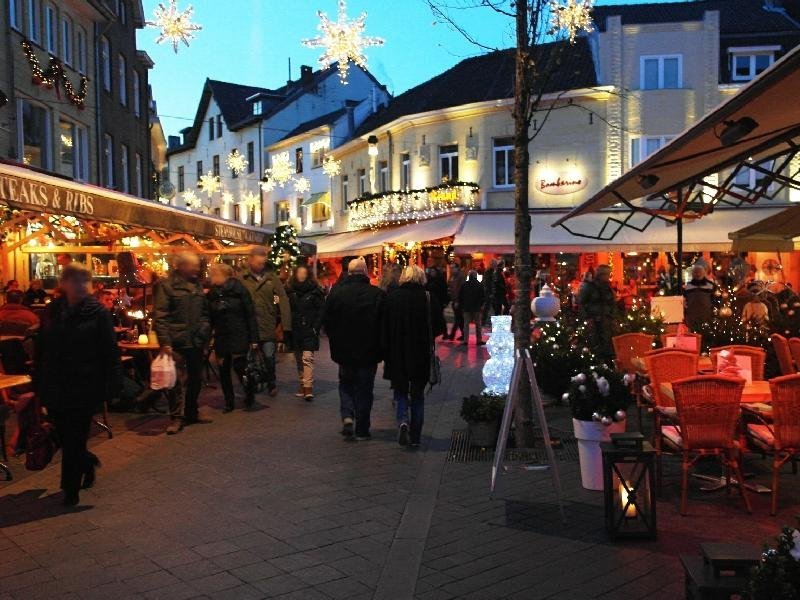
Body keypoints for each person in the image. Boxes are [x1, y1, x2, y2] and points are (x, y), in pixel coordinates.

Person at [35, 263, 122, 506]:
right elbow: (42, 348)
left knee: (75, 438)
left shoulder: (98, 313)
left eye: (84, 280)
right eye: (74, 280)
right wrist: (38, 382)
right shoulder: (52, 311)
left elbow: (110, 351)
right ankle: (87, 462)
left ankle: (70, 490)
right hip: (55, 383)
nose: (80, 285)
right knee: (64, 437)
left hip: (85, 384)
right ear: (64, 284)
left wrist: (113, 386)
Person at [382, 265, 446, 447]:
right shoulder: (428, 298)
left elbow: (384, 326)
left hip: (397, 352)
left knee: (400, 390)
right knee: (418, 394)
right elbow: (440, 326)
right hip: (420, 352)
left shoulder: (392, 298)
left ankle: (402, 419)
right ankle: (416, 436)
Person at [323, 256, 385, 440]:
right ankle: (362, 429)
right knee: (365, 390)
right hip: (368, 352)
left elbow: (327, 321)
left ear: (349, 273)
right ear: (365, 272)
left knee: (346, 384)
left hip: (344, 351)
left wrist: (335, 338)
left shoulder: (336, 293)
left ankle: (348, 415)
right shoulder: (377, 294)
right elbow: (383, 324)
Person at [153, 252, 211, 435]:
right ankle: (176, 417)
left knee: (196, 378)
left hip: (196, 340)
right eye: (192, 265)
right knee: (175, 381)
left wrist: (204, 328)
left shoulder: (197, 285)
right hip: (176, 341)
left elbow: (204, 312)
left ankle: (192, 412)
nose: (196, 269)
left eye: (197, 265)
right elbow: (160, 315)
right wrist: (165, 342)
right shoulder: (167, 285)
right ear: (181, 266)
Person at [207, 263, 259, 412]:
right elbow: (209, 317)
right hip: (222, 336)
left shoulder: (240, 290)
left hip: (239, 334)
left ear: (224, 275)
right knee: (223, 370)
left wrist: (254, 339)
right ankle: (229, 401)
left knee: (240, 368)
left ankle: (249, 395)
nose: (212, 277)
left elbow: (250, 315)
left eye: (214, 274)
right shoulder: (212, 294)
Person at [240, 247, 292, 397]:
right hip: (248, 327)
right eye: (258, 263)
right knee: (249, 360)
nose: (260, 266)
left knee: (269, 357)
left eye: (263, 263)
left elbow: (283, 299)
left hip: (267, 325)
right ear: (250, 261)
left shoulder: (272, 279)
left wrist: (286, 326)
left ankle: (271, 383)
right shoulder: (242, 278)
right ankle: (250, 386)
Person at [287, 264, 326, 401]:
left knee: (307, 358)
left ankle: (308, 387)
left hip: (309, 328)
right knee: (299, 359)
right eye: (299, 273)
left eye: (304, 273)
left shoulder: (315, 291)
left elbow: (321, 310)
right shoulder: (290, 291)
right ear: (295, 274)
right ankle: (302, 385)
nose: (302, 275)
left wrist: (316, 327)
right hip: (296, 328)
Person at [579, 264, 616, 360]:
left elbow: (612, 304)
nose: (608, 276)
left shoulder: (608, 288)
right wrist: (587, 319)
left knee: (606, 345)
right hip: (593, 321)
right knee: (594, 345)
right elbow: (581, 303)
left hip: (605, 320)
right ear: (600, 274)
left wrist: (612, 317)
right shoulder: (589, 286)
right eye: (606, 274)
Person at [683, 264, 716, 330]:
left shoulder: (711, 285)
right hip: (692, 316)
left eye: (699, 272)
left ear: (704, 273)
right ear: (693, 274)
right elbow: (684, 301)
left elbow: (714, 299)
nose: (698, 274)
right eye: (696, 272)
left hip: (706, 314)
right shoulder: (687, 286)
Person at [459, 270, 486, 346]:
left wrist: (462, 306)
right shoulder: (480, 285)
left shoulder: (464, 285)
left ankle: (465, 341)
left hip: (466, 308)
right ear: (475, 276)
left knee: (466, 325)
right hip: (476, 308)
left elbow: (460, 296)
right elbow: (482, 296)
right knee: (478, 325)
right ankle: (479, 340)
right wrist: (481, 305)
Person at [445, 263, 466, 341]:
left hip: (459, 301)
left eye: (453, 268)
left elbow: (461, 290)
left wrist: (457, 300)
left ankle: (452, 335)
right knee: (459, 318)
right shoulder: (452, 276)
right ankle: (464, 334)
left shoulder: (461, 276)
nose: (452, 269)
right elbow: (450, 287)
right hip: (454, 300)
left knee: (458, 318)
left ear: (457, 268)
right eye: (451, 268)